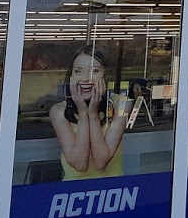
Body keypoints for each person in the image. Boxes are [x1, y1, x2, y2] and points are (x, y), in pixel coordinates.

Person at [49, 45, 131, 180]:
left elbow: (100, 162)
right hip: (73, 189)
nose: (86, 79)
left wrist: (92, 115)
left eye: (94, 71)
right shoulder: (58, 111)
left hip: (112, 188)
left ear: (105, 75)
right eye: (78, 71)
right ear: (71, 76)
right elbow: (80, 164)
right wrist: (83, 114)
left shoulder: (122, 104)